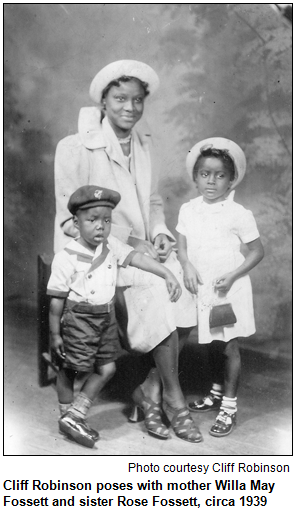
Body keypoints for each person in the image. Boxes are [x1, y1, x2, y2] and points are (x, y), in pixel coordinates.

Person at [53, 60, 201, 443]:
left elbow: (151, 203)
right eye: (120, 99)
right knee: (154, 289)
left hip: (140, 249)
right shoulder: (74, 148)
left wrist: (161, 232)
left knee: (189, 283)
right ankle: (174, 398)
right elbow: (68, 223)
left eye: (138, 101)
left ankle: (150, 390)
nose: (130, 108)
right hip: (94, 258)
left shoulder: (143, 144)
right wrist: (129, 243)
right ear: (103, 102)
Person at [47, 185, 183, 448]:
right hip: (79, 320)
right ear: (76, 222)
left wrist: (166, 273)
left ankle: (75, 415)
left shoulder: (111, 245)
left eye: (106, 220)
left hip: (105, 318)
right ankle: (68, 415)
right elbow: (56, 301)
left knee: (107, 368)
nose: (100, 226)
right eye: (92, 220)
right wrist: (55, 334)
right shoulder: (66, 257)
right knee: (71, 369)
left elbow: (137, 259)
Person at [176, 138, 264, 437]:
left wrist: (233, 275)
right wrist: (186, 264)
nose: (211, 181)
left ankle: (229, 406)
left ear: (231, 180)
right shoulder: (189, 210)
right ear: (196, 177)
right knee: (211, 342)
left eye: (220, 175)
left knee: (227, 346)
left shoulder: (239, 213)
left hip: (228, 289)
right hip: (203, 289)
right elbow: (182, 245)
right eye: (205, 174)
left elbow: (256, 252)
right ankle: (215, 393)